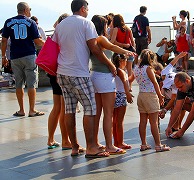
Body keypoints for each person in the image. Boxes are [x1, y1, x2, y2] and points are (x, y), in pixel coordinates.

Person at [52, 0, 115, 157]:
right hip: (78, 72)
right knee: (90, 108)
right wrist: (110, 64)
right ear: (82, 9)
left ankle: (74, 146)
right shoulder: (87, 23)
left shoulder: (61, 25)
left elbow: (55, 46)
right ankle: (91, 147)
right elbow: (95, 48)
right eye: (87, 8)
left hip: (62, 72)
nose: (88, 11)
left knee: (69, 109)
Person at [90, 15, 134, 155]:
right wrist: (126, 51)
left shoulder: (90, 40)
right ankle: (110, 145)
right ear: (102, 26)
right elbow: (112, 46)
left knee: (97, 114)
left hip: (94, 75)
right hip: (104, 77)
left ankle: (96, 142)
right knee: (108, 114)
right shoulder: (100, 38)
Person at [1, 2, 45, 117]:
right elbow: (37, 41)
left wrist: (3, 56)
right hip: (29, 55)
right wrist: (49, 45)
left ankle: (21, 110)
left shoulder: (8, 22)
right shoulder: (31, 22)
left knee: (19, 84)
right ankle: (32, 110)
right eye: (29, 9)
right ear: (25, 10)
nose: (30, 11)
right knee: (31, 84)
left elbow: (4, 40)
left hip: (15, 57)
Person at [133, 49, 170, 152]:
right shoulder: (148, 68)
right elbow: (154, 83)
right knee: (154, 122)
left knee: (143, 121)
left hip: (141, 95)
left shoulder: (136, 68)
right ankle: (158, 145)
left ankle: (143, 144)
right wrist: (160, 96)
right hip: (150, 95)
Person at [47, 14, 71, 150]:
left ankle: (50, 139)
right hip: (61, 73)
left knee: (57, 108)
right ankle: (65, 140)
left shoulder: (55, 34)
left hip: (52, 73)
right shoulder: (64, 36)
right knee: (64, 109)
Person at [159, 52, 188, 131]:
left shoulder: (175, 83)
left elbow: (174, 98)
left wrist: (165, 109)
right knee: (175, 107)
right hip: (171, 94)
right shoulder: (165, 72)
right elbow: (172, 63)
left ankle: (176, 125)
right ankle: (176, 125)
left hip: (179, 93)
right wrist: (179, 56)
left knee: (178, 107)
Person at [112, 53, 134, 149]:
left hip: (113, 95)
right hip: (121, 95)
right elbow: (125, 82)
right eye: (125, 61)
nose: (126, 63)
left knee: (114, 120)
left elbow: (126, 81)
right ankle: (120, 142)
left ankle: (116, 141)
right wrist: (128, 94)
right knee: (119, 121)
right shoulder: (121, 71)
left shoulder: (113, 70)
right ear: (122, 61)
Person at [110, 14, 136, 90]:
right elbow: (132, 41)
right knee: (129, 69)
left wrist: (122, 44)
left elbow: (113, 42)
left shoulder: (116, 29)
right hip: (130, 51)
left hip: (120, 51)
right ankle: (129, 86)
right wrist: (132, 48)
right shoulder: (128, 29)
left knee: (120, 69)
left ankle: (121, 85)